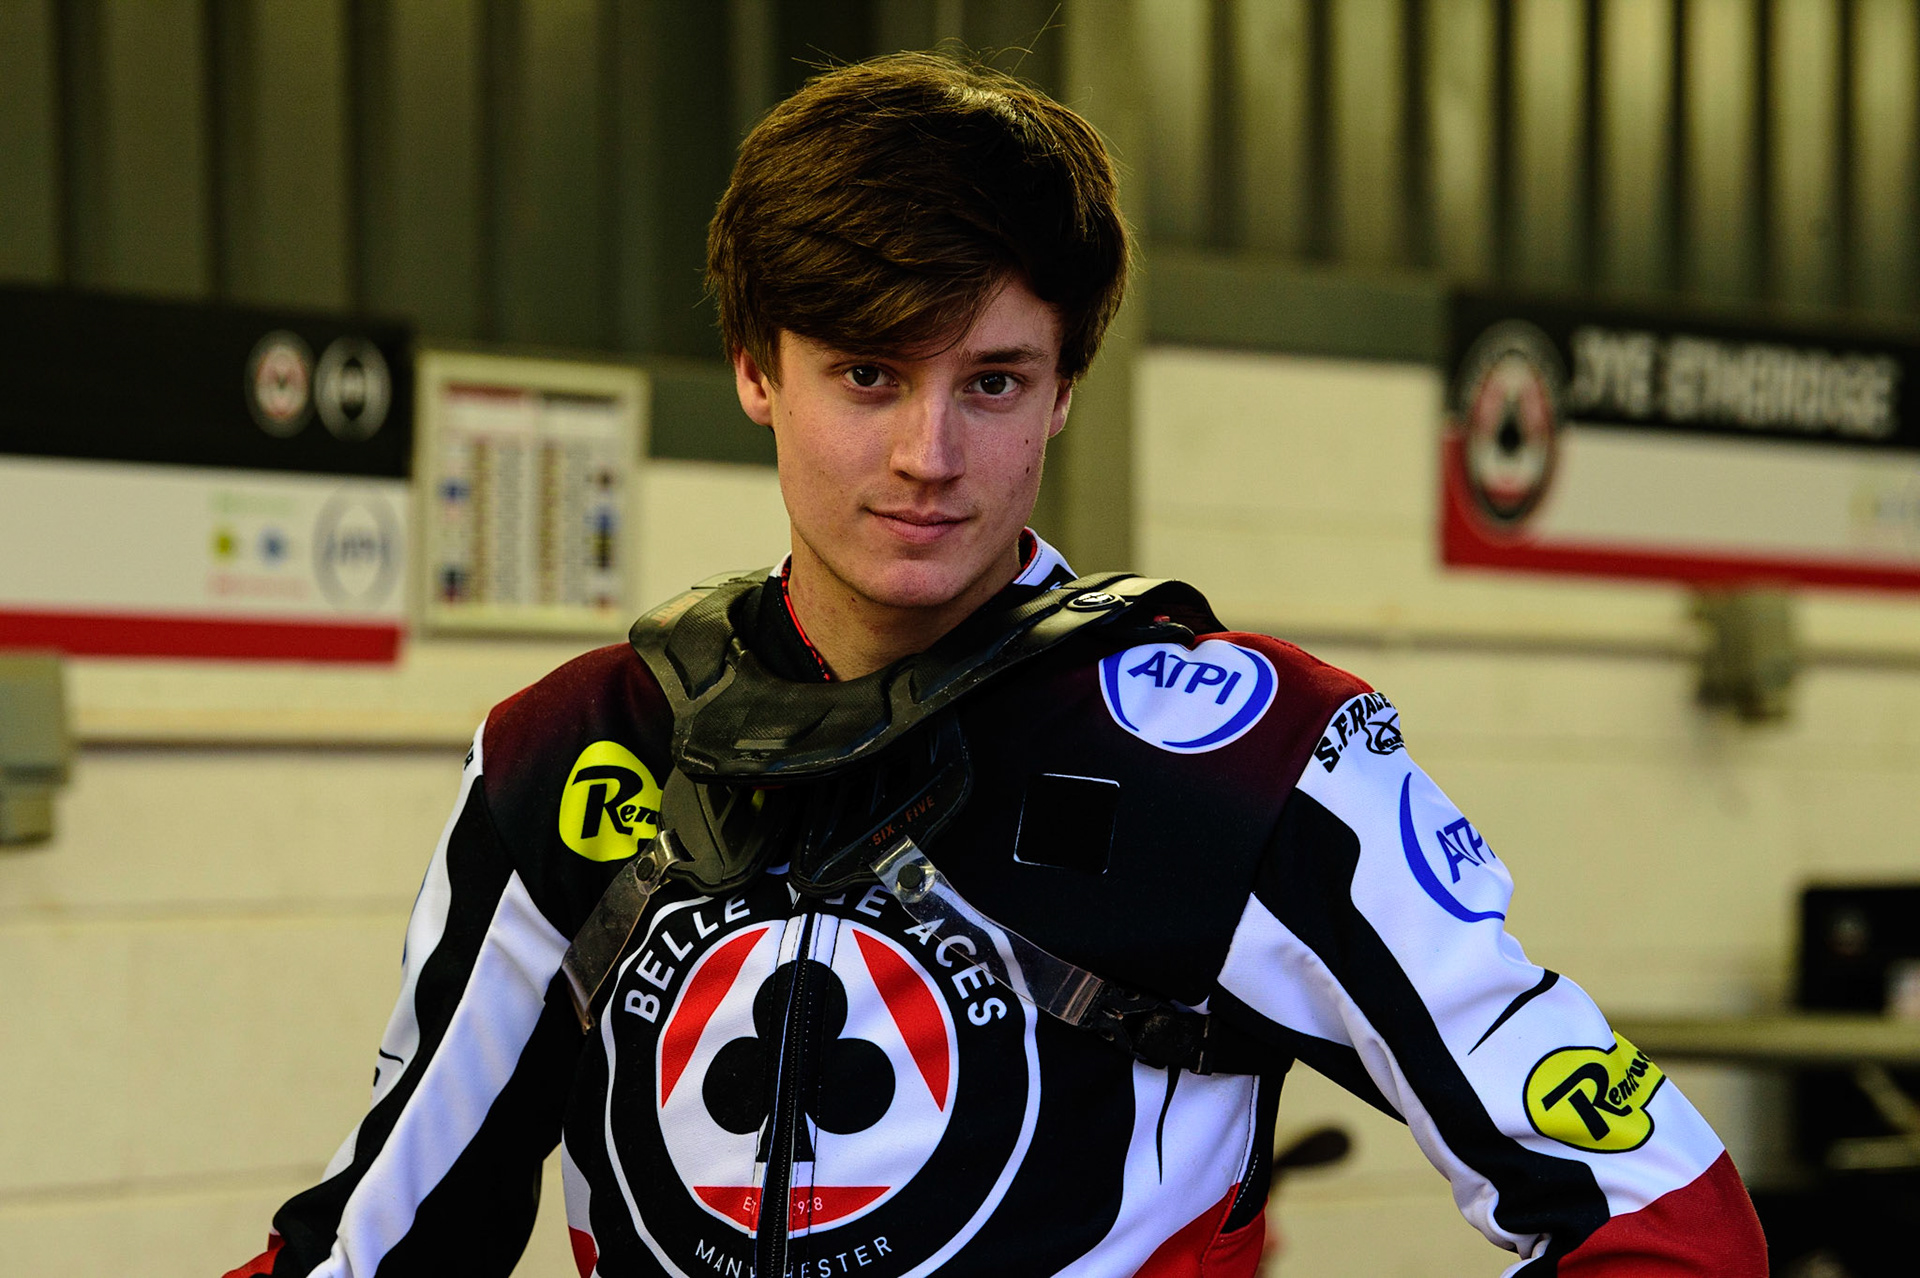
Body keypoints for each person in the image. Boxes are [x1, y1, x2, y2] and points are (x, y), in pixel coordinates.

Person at [226, 52, 1767, 1278]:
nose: (927, 455)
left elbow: (1660, 1218)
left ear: (1067, 387)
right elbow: (378, 1247)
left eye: (995, 380)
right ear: (757, 368)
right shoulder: (576, 753)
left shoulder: (1246, 763)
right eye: (868, 373)